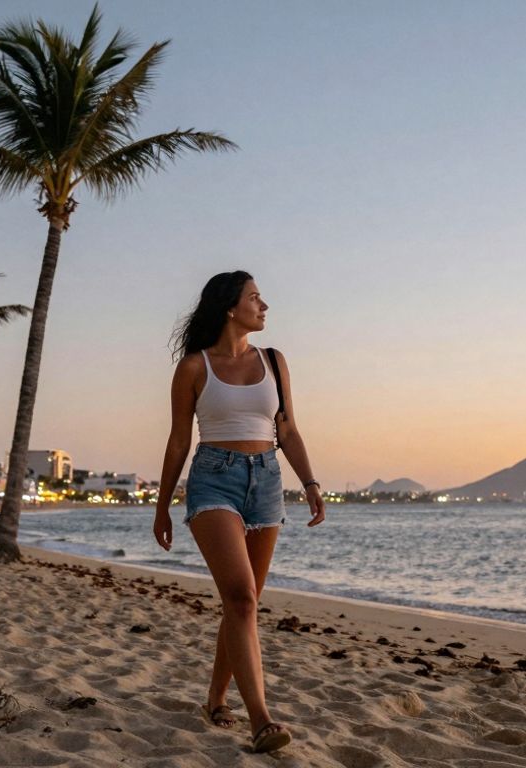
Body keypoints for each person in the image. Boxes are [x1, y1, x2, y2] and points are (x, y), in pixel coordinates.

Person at [153, 270, 324, 754]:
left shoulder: (274, 361)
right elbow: (178, 442)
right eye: (255, 297)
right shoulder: (193, 367)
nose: (264, 305)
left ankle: (214, 699)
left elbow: (287, 430)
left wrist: (309, 482)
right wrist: (163, 506)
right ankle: (262, 719)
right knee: (243, 599)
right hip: (213, 479)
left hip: (267, 481)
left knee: (241, 605)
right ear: (231, 307)